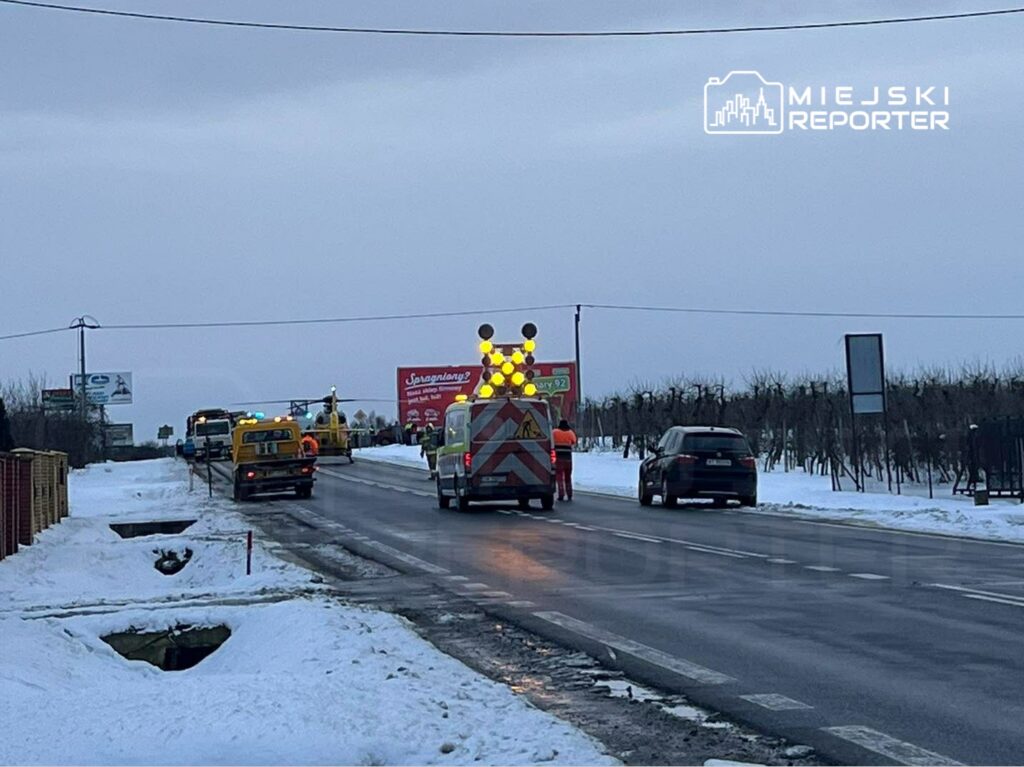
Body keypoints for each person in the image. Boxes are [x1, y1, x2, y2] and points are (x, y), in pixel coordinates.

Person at [552, 418, 577, 502]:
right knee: (568, 477)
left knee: (559, 477)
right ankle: (569, 494)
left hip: (559, 458)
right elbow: (574, 441)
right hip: (568, 458)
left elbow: (551, 441)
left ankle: (561, 494)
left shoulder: (555, 432)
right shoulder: (570, 433)